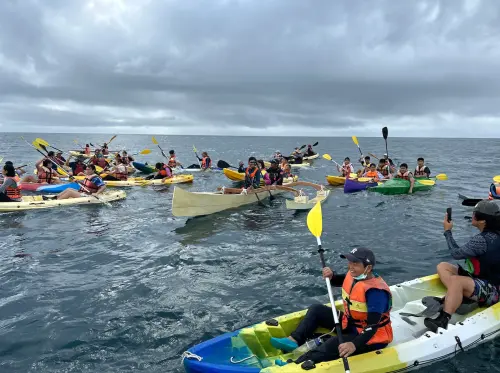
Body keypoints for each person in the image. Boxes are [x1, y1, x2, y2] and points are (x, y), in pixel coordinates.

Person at [270, 248, 392, 365]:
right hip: (350, 322)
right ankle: (293, 340)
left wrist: (353, 344)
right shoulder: (356, 275)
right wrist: (332, 276)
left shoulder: (376, 293)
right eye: (350, 262)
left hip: (371, 336)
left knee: (334, 342)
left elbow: (372, 326)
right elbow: (342, 281)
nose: (350, 266)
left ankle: (296, 363)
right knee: (316, 309)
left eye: (355, 263)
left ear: (368, 268)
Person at [424, 201, 500, 332]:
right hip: (481, 278)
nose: (472, 215)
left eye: (475, 214)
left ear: (483, 221)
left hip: (494, 290)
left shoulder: (481, 240)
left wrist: (447, 231)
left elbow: (456, 253)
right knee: (443, 266)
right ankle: (456, 297)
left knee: (456, 281)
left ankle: (443, 319)